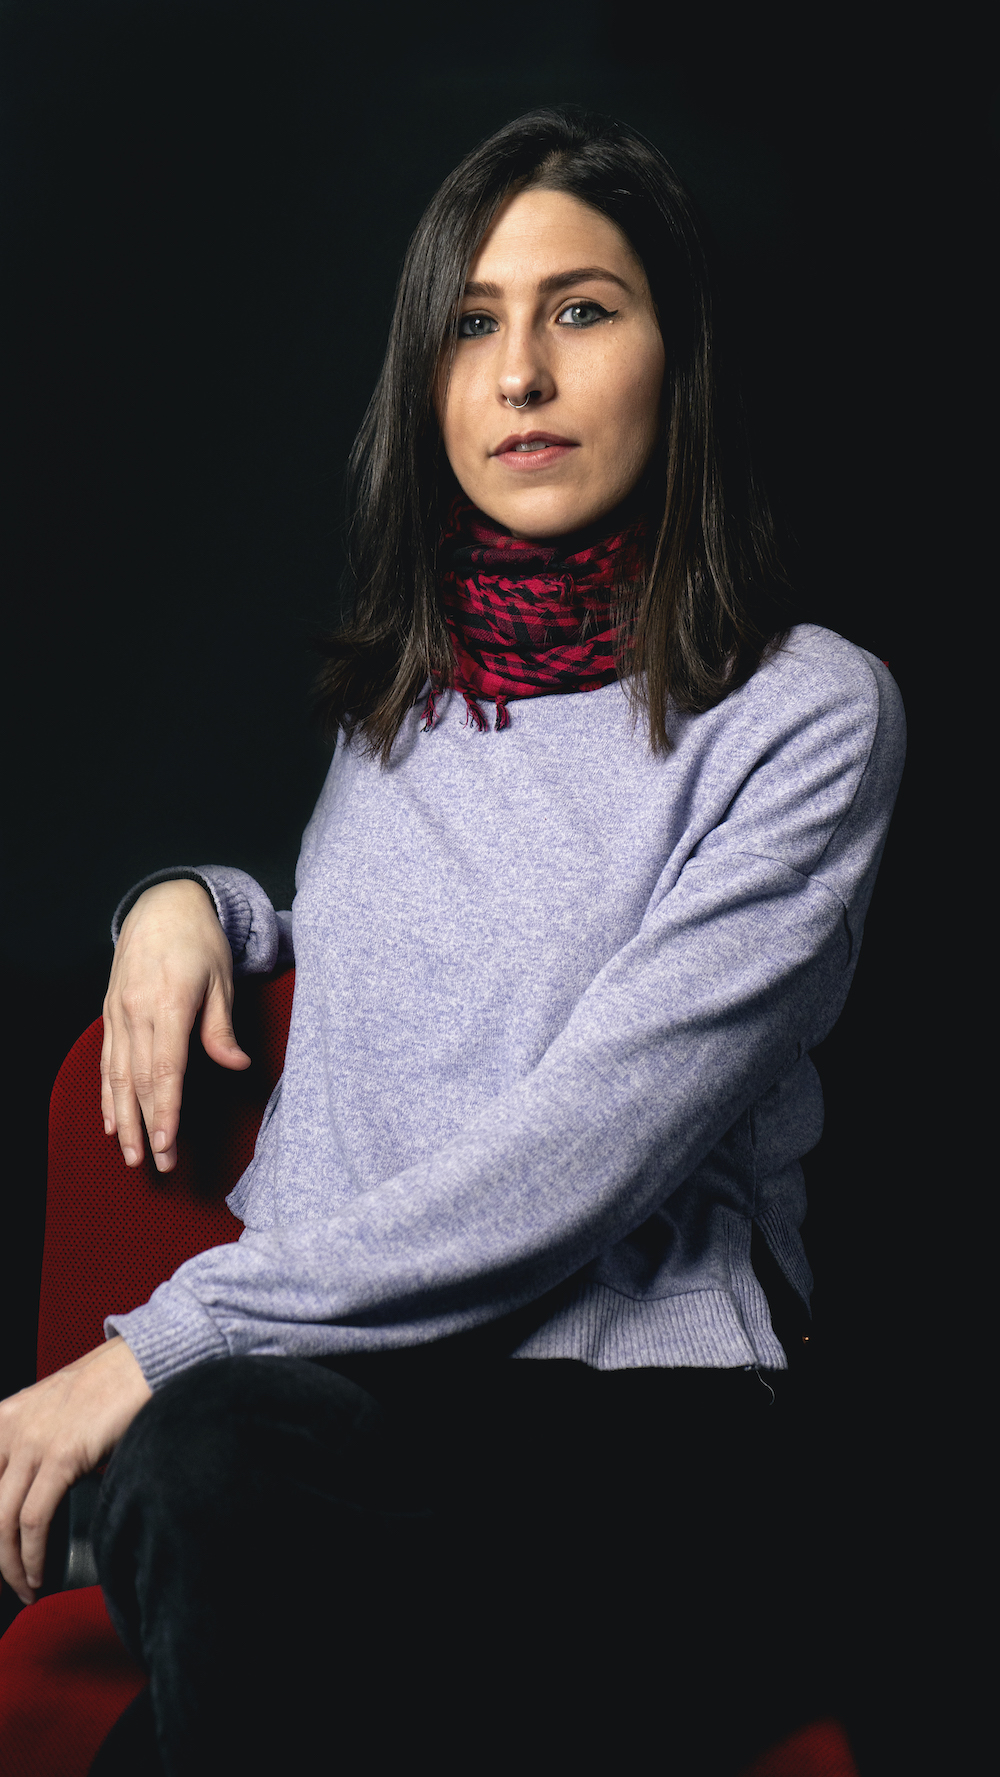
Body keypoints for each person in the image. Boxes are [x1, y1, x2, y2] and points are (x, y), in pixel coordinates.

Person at [0, 107, 904, 1774]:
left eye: (582, 309)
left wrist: (168, 1339)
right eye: (473, 324)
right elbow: (375, 952)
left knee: (202, 1510)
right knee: (212, 1481)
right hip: (359, 1416)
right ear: (428, 386)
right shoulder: (405, 713)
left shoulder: (809, 714)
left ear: (679, 355)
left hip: (647, 1429)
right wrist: (188, 904)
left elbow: (588, 1138)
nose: (522, 373)